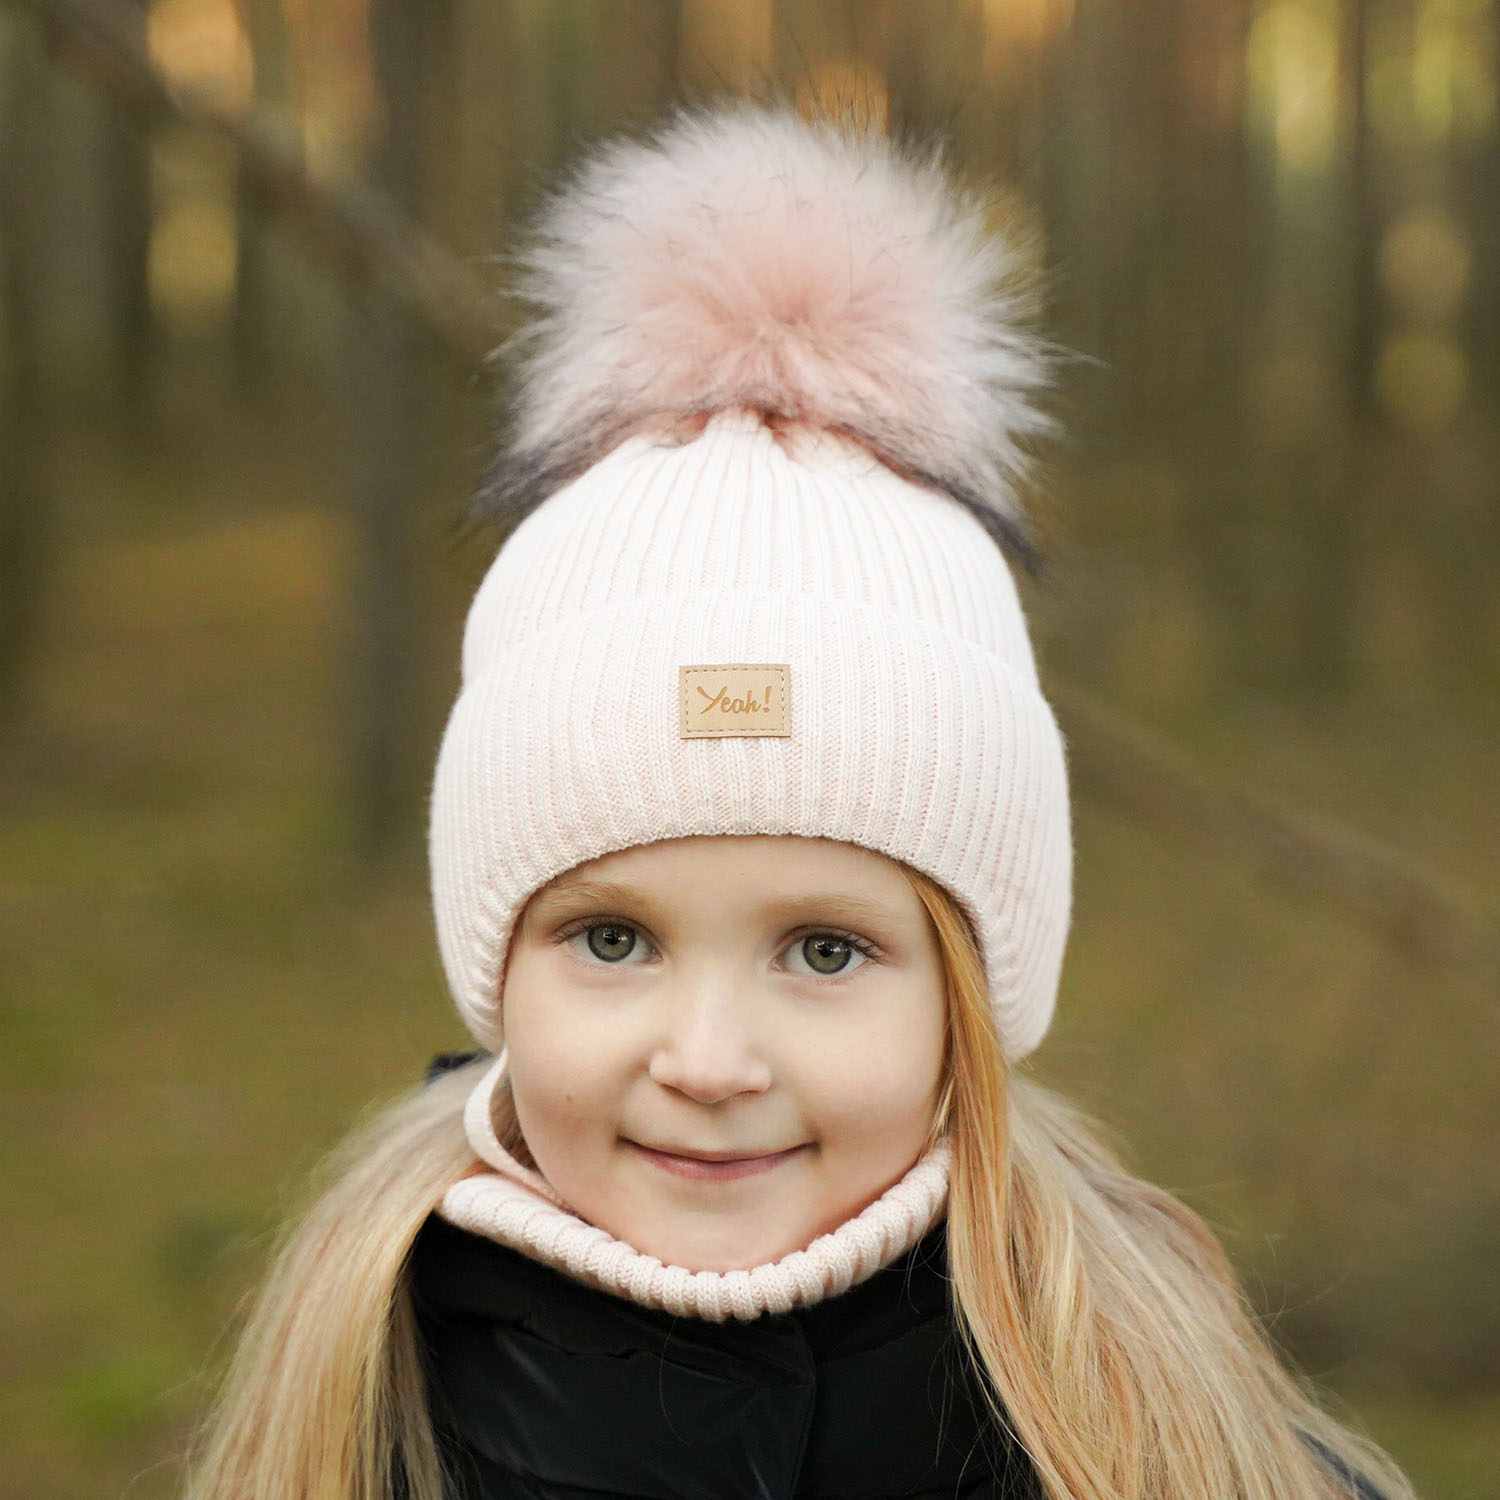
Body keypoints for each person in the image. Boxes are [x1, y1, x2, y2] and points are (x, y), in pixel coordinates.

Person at [182, 106, 1414, 1500]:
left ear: (969, 996)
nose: (709, 1063)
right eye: (611, 939)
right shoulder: (344, 1425)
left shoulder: (1191, 1452)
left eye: (825, 950)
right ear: (497, 968)